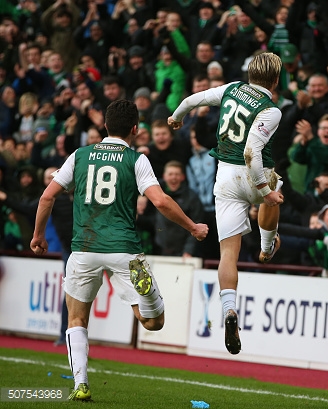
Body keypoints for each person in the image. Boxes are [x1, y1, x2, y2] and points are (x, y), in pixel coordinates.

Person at [29, 99, 209, 401]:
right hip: (124, 248)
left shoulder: (80, 155)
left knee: (76, 320)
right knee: (154, 322)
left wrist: (38, 235)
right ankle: (148, 293)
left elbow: (47, 197)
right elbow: (161, 201)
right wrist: (193, 227)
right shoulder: (136, 160)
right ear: (136, 129)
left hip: (84, 248)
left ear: (104, 126)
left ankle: (81, 384)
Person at [168, 52, 285, 355]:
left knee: (227, 254)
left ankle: (229, 310)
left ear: (249, 74)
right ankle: (267, 244)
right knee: (276, 190)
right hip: (253, 173)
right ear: (275, 80)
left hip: (224, 179)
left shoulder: (231, 88)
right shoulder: (272, 110)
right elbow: (251, 152)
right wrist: (264, 189)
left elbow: (195, 99)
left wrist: (177, 117)